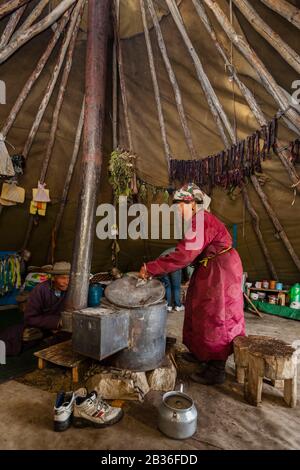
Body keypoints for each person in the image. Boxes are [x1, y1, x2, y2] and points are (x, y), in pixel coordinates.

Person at [139, 184, 245, 386]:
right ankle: (201, 354)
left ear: (192, 204)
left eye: (180, 206)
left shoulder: (202, 220)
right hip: (211, 268)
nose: (178, 211)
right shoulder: (199, 221)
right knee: (198, 309)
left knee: (217, 316)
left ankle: (216, 368)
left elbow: (185, 254)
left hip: (221, 271)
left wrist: (151, 268)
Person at [0, 261, 71, 355]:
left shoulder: (72, 290)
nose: (67, 282)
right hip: (39, 326)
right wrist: (57, 322)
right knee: (13, 339)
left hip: (59, 329)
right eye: (63, 278)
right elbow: (30, 318)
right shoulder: (40, 290)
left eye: (69, 278)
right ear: (53, 278)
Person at [159, 247, 184, 312]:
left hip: (162, 263)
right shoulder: (183, 250)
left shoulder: (169, 250)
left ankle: (168, 306)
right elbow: (184, 265)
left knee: (167, 286)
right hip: (174, 263)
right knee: (176, 287)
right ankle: (178, 306)